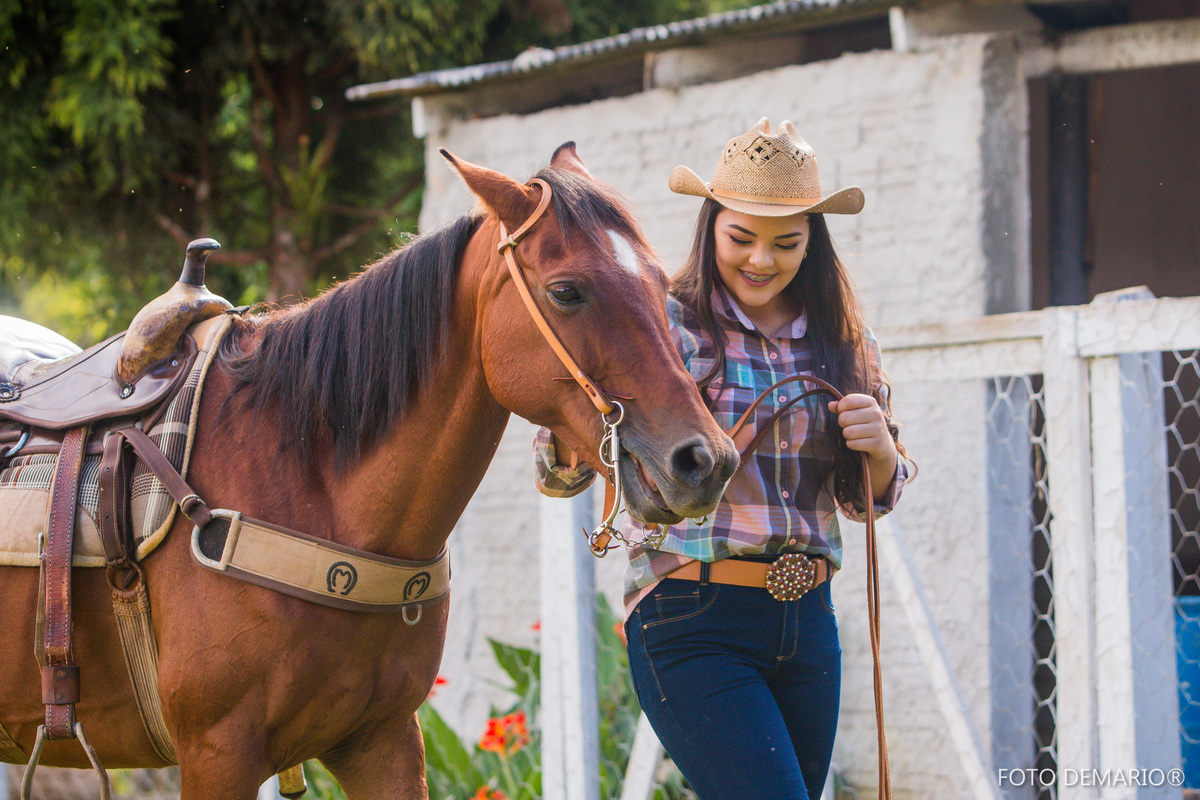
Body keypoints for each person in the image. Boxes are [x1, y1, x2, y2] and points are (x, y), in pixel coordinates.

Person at [533, 117, 910, 800]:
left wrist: (880, 448)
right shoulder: (660, 323)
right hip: (692, 616)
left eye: (786, 243)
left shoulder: (846, 342)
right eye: (741, 238)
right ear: (710, 228)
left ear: (812, 243)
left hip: (810, 624)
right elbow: (557, 472)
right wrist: (582, 400)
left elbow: (867, 501)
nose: (761, 259)